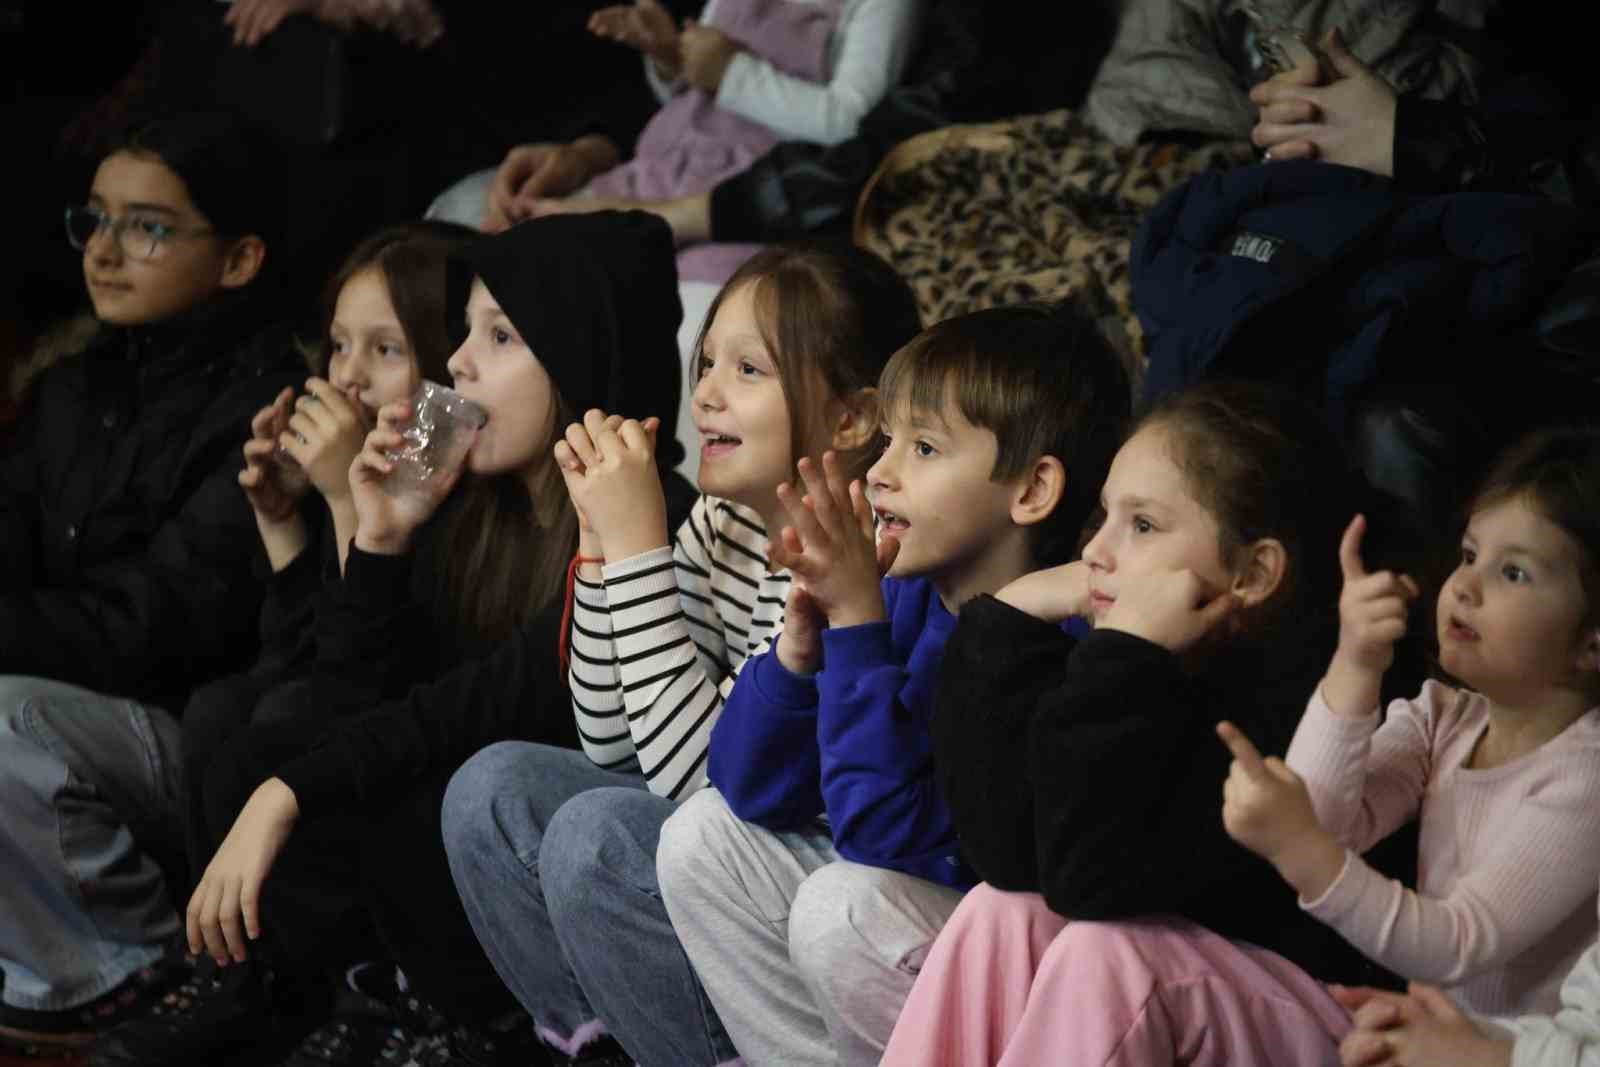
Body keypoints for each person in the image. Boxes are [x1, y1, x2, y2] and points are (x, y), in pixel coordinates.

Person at [86, 212, 696, 1067]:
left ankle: (436, 1019)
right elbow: (336, 691)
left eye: (502, 335)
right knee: (249, 723)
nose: (458, 363)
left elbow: (461, 710)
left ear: (578, 358)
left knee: (411, 784)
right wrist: (376, 530)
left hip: (558, 855)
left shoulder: (643, 511)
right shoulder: (471, 495)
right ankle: (277, 985)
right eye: (465, 332)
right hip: (455, 831)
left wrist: (283, 794)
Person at [442, 241, 922, 1065]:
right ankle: (600, 1047)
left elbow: (707, 785)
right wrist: (599, 548)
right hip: (707, 823)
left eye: (747, 370)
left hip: (790, 876)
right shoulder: (726, 520)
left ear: (851, 418)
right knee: (492, 789)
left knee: (595, 833)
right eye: (704, 363)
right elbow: (609, 741)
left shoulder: (867, 551)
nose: (704, 394)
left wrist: (635, 548)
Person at [656, 303, 1130, 1065]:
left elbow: (887, 836)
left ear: (1033, 490)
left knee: (841, 908)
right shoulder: (902, 592)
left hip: (1018, 970)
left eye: (925, 447)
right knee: (700, 838)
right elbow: (746, 784)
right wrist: (800, 649)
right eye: (889, 440)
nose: (879, 471)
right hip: (902, 917)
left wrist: (856, 628)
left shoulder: (1061, 642)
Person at [880, 381, 1379, 1065]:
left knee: (1103, 948)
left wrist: (1125, 656)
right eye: (1103, 517)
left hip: (1326, 1016)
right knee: (1001, 910)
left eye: (1142, 525)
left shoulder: (1292, 705)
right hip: (1194, 985)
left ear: (1254, 572)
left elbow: (1087, 879)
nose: (1098, 550)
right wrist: (1011, 613)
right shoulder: (1143, 672)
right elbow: (1008, 854)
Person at [0, 111, 304, 1054]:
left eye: (148, 227)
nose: (105, 251)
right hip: (62, 703)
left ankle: (135, 972)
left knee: (6, 720)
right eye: (93, 221)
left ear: (241, 259)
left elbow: (158, 623)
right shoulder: (68, 389)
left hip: (191, 733)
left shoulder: (267, 404)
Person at [178, 219, 471, 908]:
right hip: (345, 721)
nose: (347, 375)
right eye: (339, 344)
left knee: (260, 736)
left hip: (418, 772)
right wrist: (282, 519)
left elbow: (354, 688)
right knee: (221, 710)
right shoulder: (368, 459)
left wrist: (346, 496)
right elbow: (295, 659)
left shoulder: (451, 487)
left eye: (386, 348)